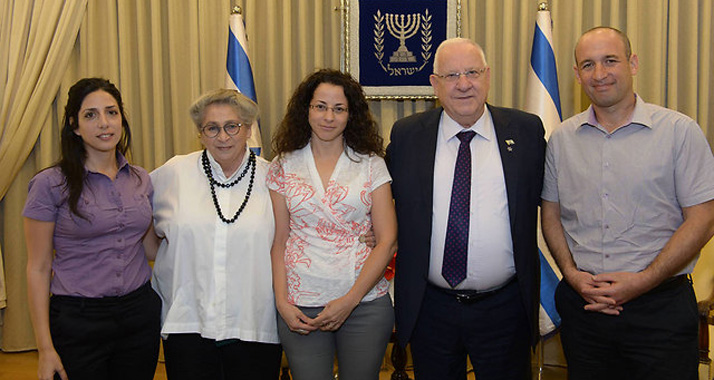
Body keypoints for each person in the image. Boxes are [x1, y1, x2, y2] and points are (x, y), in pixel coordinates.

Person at [541, 26, 714, 380]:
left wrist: (644, 281)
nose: (600, 74)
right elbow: (551, 215)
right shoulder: (561, 140)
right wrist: (572, 275)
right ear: (576, 74)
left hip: (660, 311)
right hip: (584, 310)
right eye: (588, 65)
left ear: (633, 63)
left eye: (610, 61)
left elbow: (704, 218)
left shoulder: (679, 132)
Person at [386, 37, 545, 380]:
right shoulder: (407, 136)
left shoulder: (527, 131)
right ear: (434, 84)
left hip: (506, 307)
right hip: (432, 308)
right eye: (451, 75)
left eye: (472, 72)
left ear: (487, 76)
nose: (463, 84)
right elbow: (379, 203)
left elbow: (555, 201)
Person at [23, 77, 161, 380]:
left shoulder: (140, 179)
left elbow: (150, 248)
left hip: (138, 315)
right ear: (74, 125)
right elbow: (38, 267)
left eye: (111, 112)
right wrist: (44, 348)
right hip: (77, 321)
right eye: (91, 115)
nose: (104, 123)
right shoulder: (49, 184)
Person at [267, 68, 398, 380]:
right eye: (320, 106)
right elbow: (278, 241)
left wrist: (348, 301)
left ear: (351, 115)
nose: (329, 117)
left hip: (364, 303)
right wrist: (282, 303)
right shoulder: (283, 165)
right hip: (301, 305)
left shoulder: (371, 165)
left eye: (339, 109)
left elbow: (387, 240)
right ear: (306, 110)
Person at [145, 89, 281, 380]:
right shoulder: (173, 174)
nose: (223, 137)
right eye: (212, 128)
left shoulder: (274, 179)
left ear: (248, 129)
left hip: (253, 323)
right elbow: (137, 221)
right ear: (200, 133)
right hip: (188, 322)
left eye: (232, 126)